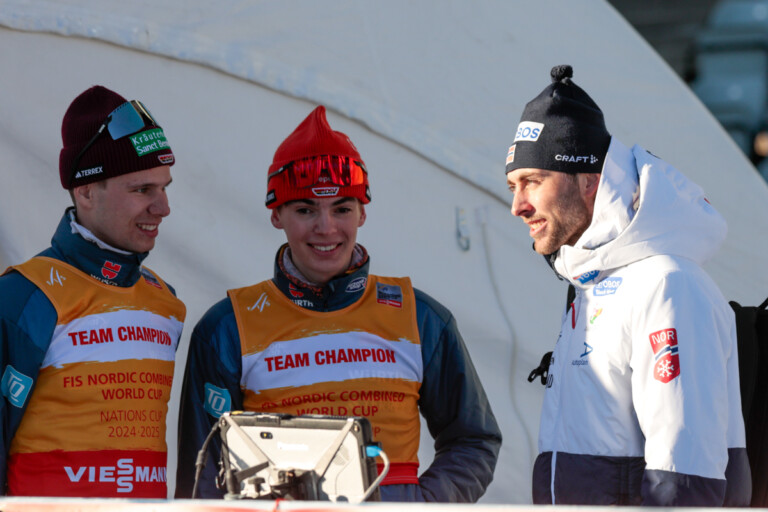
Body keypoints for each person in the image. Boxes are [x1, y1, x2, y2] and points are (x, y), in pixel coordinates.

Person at [175, 105, 501, 502]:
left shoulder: (421, 317)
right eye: (305, 209)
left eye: (342, 209)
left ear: (363, 212)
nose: (326, 228)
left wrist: (423, 506)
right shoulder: (227, 327)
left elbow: (473, 439)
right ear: (276, 215)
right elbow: (203, 474)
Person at [505, 65, 751, 506]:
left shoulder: (667, 286)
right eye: (512, 186)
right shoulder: (590, 284)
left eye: (532, 182)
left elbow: (683, 481)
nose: (517, 206)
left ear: (589, 181)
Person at [0, 85, 186, 497]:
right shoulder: (24, 295)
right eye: (142, 190)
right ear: (85, 191)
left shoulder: (166, 302)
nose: (163, 207)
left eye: (164, 186)